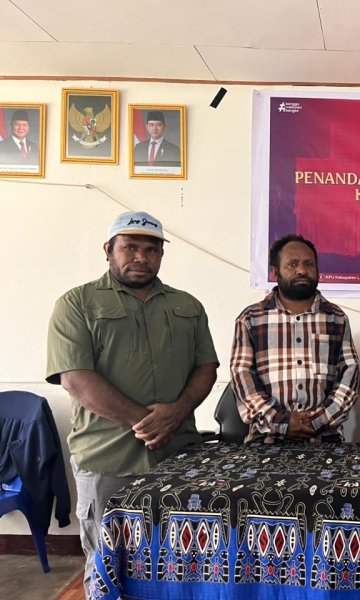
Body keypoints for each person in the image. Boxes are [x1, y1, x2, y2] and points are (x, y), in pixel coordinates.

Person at [46, 210, 219, 593]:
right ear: (108, 250)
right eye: (130, 247)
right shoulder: (77, 303)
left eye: (151, 249)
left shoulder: (187, 306)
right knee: (107, 566)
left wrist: (176, 413)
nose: (141, 256)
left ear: (161, 255)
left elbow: (206, 367)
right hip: (108, 460)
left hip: (178, 457)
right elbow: (75, 378)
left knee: (179, 561)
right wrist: (148, 422)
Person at [230, 234, 360, 443]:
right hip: (266, 439)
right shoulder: (251, 319)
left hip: (324, 439)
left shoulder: (336, 318)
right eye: (292, 264)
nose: (302, 270)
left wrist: (316, 421)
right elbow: (242, 375)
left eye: (309, 264)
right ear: (275, 271)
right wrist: (281, 422)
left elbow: (349, 375)